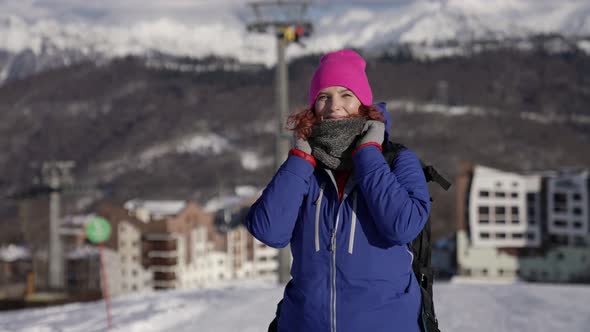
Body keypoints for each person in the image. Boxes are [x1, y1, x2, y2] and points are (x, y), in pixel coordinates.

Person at [245, 49, 430, 332]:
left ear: (363, 103)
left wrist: (368, 154)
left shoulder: (397, 160)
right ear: (313, 108)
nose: (334, 106)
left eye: (346, 94)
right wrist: (299, 160)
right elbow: (268, 230)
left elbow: (403, 226)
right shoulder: (305, 167)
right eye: (324, 97)